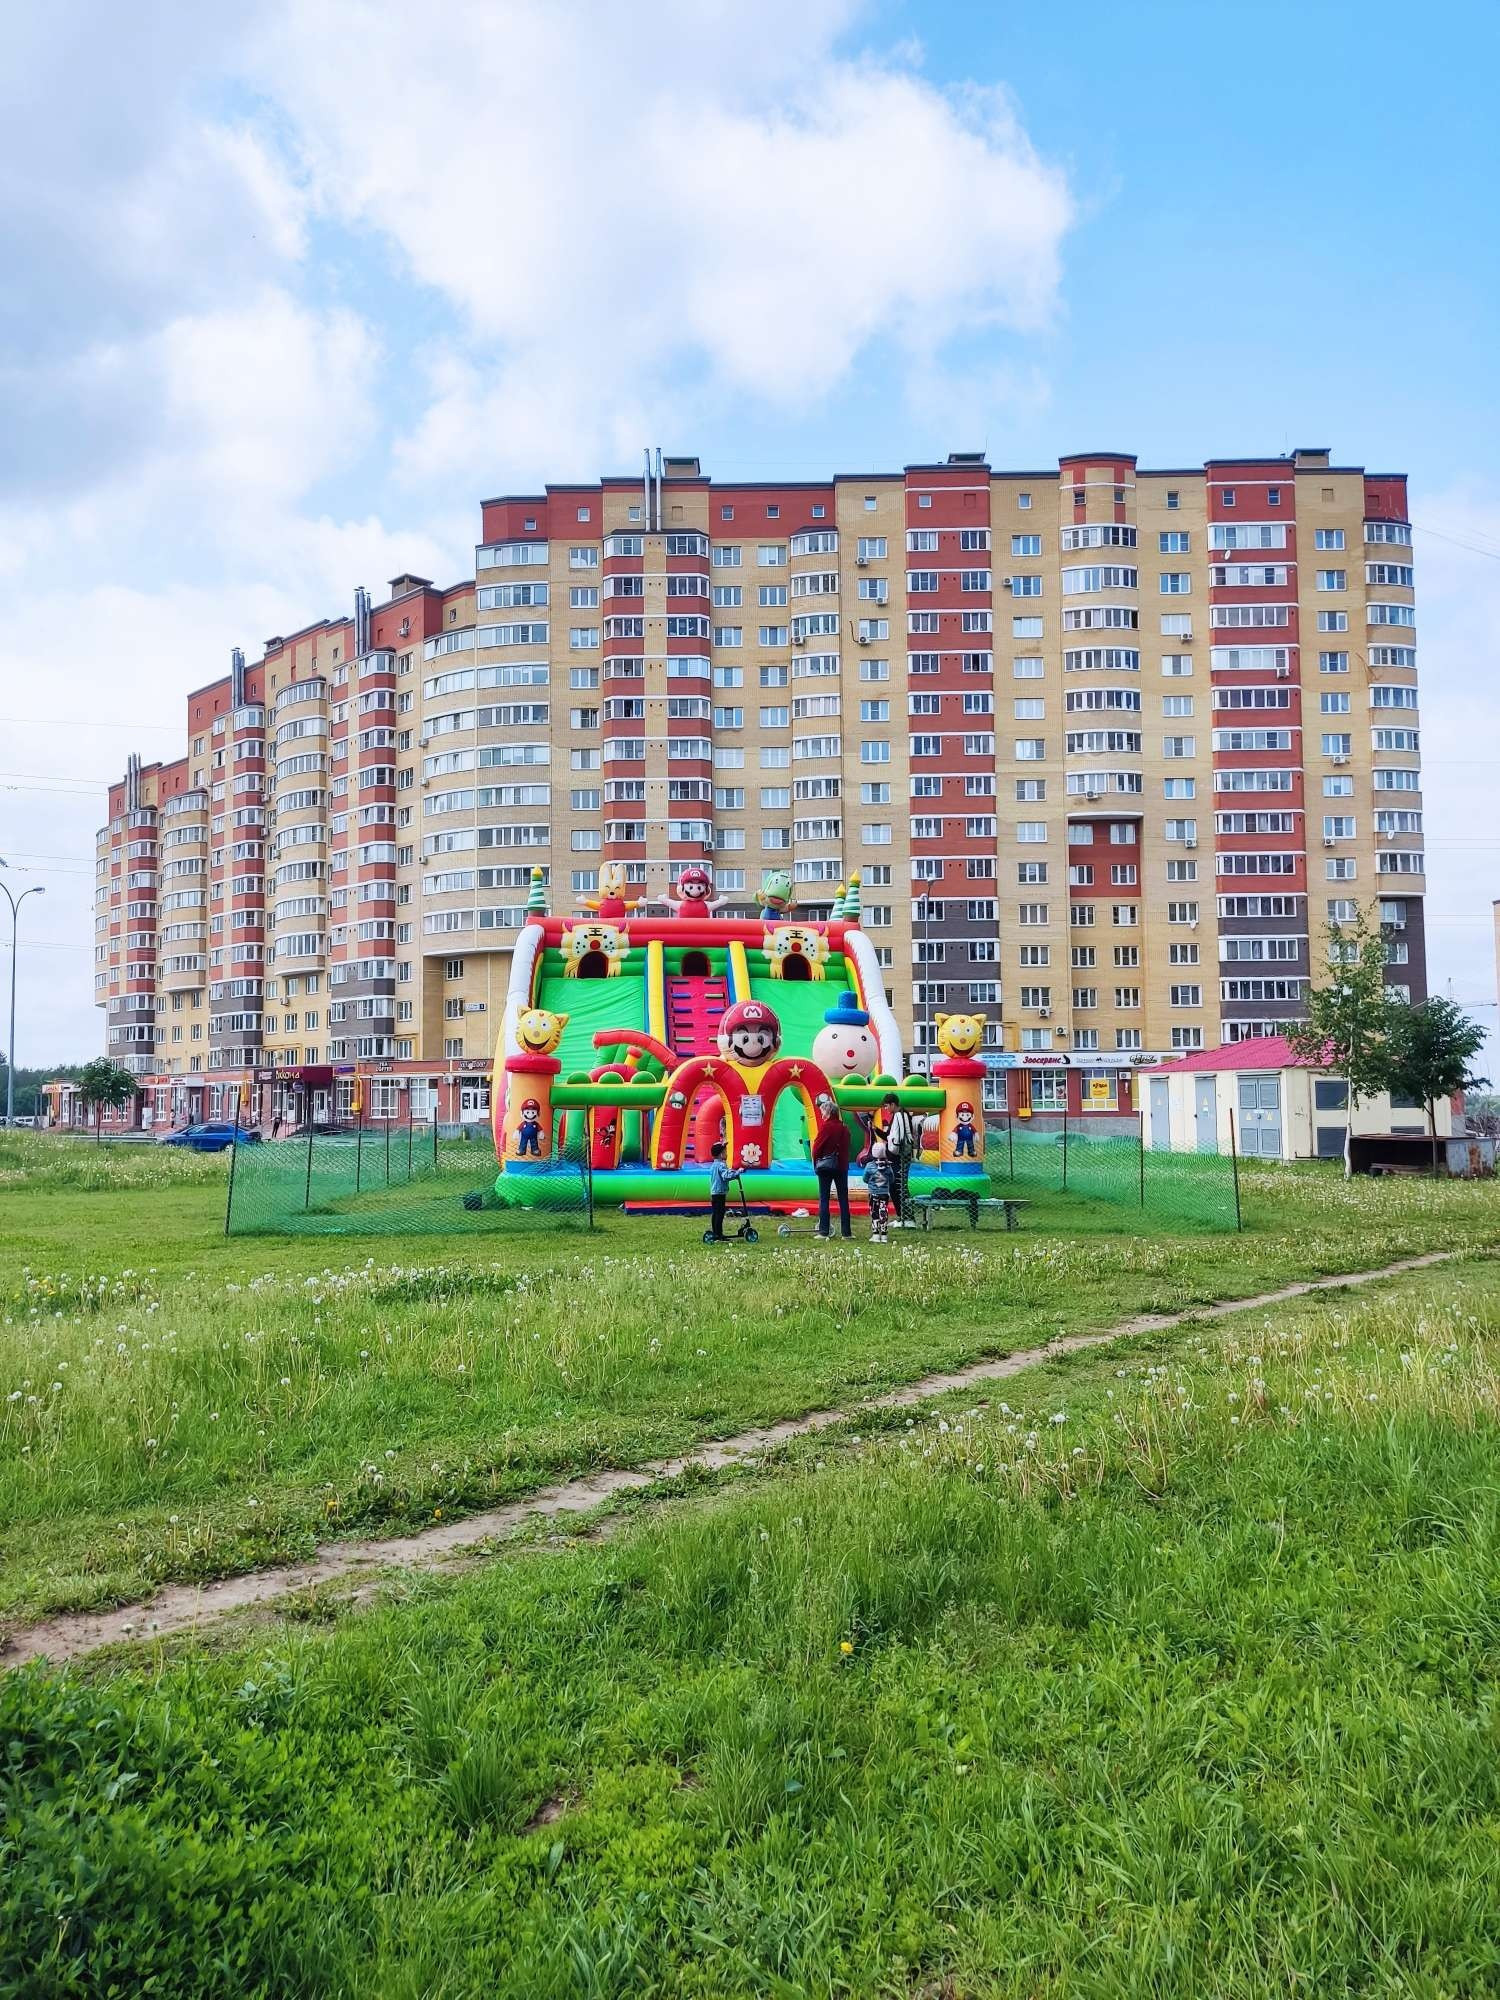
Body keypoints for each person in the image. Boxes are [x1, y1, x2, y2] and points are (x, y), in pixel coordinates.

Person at [811, 1094, 852, 1239]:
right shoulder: (845, 1128)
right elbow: (847, 1147)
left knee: (824, 1198)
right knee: (843, 1199)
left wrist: (815, 1163)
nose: (822, 1115)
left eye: (823, 1112)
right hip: (841, 1166)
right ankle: (846, 1233)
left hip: (826, 1167)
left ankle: (824, 1231)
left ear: (828, 1113)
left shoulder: (826, 1127)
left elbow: (816, 1148)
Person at [876, 1091, 919, 1225]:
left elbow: (901, 1139)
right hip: (895, 1157)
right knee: (894, 1186)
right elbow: (889, 1136)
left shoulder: (901, 1116)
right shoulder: (896, 1117)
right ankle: (902, 1216)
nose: (885, 1109)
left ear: (893, 1104)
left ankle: (908, 1218)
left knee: (900, 1186)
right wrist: (875, 1130)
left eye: (886, 1106)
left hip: (899, 1158)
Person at [862, 1139, 893, 1243]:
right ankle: (884, 1236)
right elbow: (892, 1179)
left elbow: (865, 1179)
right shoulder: (888, 1166)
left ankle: (875, 1235)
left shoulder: (869, 1166)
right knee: (883, 1212)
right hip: (884, 1194)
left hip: (873, 1194)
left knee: (874, 1213)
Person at [707, 1143, 732, 1241]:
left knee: (716, 1213)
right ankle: (718, 1234)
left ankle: (716, 1232)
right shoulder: (721, 1165)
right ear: (721, 1154)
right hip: (720, 1193)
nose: (726, 1154)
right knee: (720, 1214)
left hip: (714, 1193)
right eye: (725, 1152)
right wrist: (737, 1172)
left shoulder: (713, 1165)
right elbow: (726, 1176)